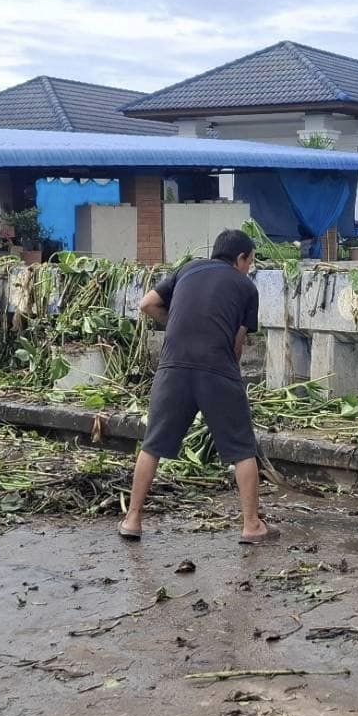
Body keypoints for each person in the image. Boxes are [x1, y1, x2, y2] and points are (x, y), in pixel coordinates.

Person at [120, 229, 272, 543]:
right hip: (216, 367)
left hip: (172, 366)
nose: (249, 268)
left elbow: (147, 304)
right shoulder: (245, 287)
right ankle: (251, 525)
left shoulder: (187, 269)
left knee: (153, 444)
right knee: (242, 448)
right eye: (249, 261)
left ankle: (132, 519)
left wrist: (177, 321)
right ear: (240, 259)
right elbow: (237, 344)